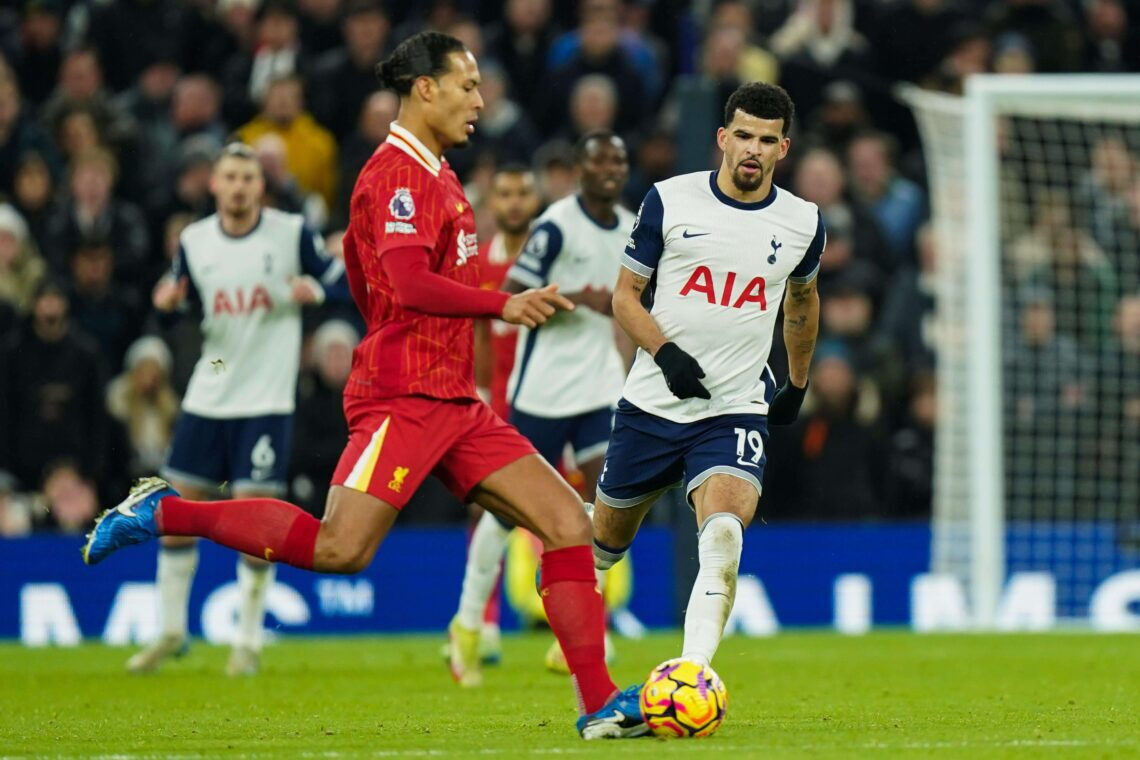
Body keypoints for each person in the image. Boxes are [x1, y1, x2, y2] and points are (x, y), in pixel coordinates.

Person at [84, 32, 645, 741]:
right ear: (424, 89)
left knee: (568, 525)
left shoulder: (438, 174)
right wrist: (498, 304)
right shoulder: (397, 176)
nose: (480, 100)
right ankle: (168, 512)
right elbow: (407, 282)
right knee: (340, 550)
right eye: (467, 86)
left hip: (453, 399)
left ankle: (597, 706)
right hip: (403, 396)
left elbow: (358, 271)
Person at [590, 82, 825, 668]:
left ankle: (692, 674)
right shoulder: (670, 200)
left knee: (723, 537)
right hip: (650, 406)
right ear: (723, 138)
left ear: (783, 150)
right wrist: (665, 355)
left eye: (766, 141)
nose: (752, 149)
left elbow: (802, 303)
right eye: (743, 136)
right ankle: (582, 651)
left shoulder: (803, 222)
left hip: (734, 408)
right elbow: (624, 298)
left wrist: (796, 382)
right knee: (604, 543)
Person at [122, 141, 348, 677]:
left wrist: (311, 290)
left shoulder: (290, 233)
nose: (241, 186)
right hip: (209, 394)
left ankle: (247, 640)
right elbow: (177, 297)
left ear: (260, 186)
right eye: (231, 177)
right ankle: (171, 630)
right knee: (177, 511)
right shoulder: (195, 242)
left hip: (266, 400)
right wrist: (166, 302)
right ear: (215, 185)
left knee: (253, 520)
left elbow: (340, 282)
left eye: (249, 177)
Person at [451, 133, 634, 679]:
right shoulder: (556, 225)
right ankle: (467, 623)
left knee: (610, 505)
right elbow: (514, 293)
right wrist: (580, 298)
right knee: (505, 514)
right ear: (580, 168)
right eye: (598, 159)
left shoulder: (630, 229)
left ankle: (583, 629)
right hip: (541, 392)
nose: (608, 169)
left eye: (617, 161)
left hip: (599, 386)